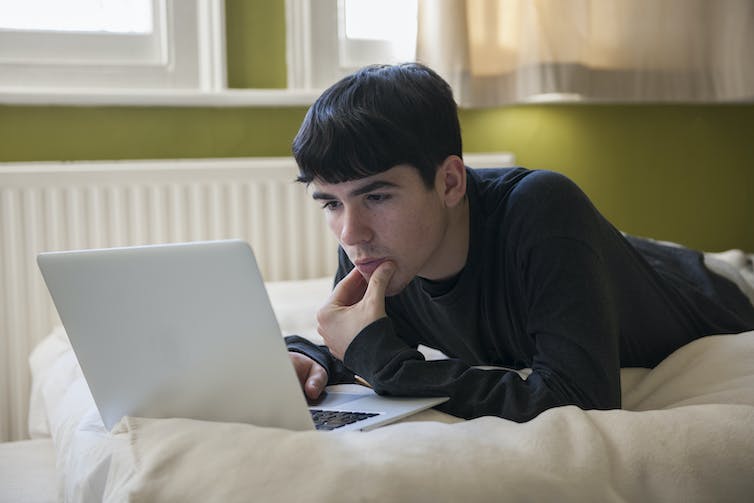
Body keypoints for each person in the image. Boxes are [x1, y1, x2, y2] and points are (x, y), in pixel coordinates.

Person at [284, 62, 754, 422]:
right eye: (331, 204)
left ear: (449, 183)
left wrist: (396, 369)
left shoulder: (541, 205)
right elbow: (360, 344)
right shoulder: (370, 242)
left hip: (709, 289)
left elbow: (581, 397)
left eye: (378, 195)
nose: (350, 234)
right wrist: (309, 357)